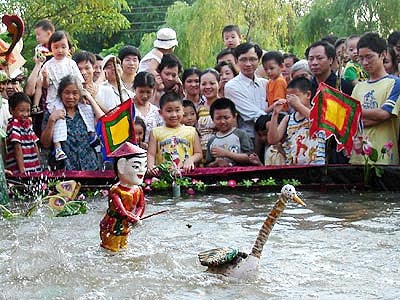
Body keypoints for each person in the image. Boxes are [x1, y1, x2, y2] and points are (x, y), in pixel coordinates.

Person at [350, 32, 400, 165]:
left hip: (384, 159)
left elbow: (384, 114)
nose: (365, 62)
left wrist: (355, 111)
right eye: (361, 58)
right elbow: (350, 121)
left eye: (369, 57)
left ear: (383, 54)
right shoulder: (358, 88)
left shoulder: (395, 83)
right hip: (357, 158)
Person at [41, 75, 104, 170]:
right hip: (64, 169)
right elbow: (45, 144)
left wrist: (91, 99)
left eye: (75, 93)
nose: (70, 97)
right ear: (60, 93)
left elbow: (104, 119)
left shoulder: (87, 111)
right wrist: (52, 120)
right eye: (66, 93)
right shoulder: (52, 111)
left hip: (90, 167)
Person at [41, 31, 85, 161]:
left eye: (63, 47)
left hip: (87, 164)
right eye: (56, 47)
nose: (60, 50)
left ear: (69, 48)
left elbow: (79, 82)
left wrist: (84, 97)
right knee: (59, 116)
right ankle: (58, 146)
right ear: (51, 48)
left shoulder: (71, 63)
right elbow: (45, 85)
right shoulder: (48, 65)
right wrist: (44, 77)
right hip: (55, 98)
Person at [307, 40, 353, 164]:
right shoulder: (305, 87)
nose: (314, 63)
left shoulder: (344, 86)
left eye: (319, 58)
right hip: (310, 149)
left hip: (335, 150)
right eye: (311, 59)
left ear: (331, 60)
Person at [100, 142, 147, 253]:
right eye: (136, 166)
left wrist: (138, 216)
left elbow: (141, 206)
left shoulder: (138, 189)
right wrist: (133, 219)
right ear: (121, 166)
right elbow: (121, 211)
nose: (142, 170)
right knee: (111, 249)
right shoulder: (116, 190)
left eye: (144, 166)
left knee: (123, 247)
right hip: (112, 225)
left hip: (126, 224)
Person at [268, 77, 326, 165]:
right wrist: (275, 114)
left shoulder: (319, 112)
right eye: (289, 97)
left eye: (295, 96)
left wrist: (298, 105)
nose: (291, 100)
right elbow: (272, 140)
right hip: (293, 169)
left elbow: (318, 122)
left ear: (308, 95)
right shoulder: (288, 119)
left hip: (316, 168)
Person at [147, 91, 202, 175]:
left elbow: (198, 153)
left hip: (187, 175)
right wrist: (151, 166)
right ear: (160, 113)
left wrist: (191, 160)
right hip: (164, 176)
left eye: (177, 110)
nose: (174, 115)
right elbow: (151, 154)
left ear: (183, 110)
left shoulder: (191, 131)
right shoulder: (155, 132)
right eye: (169, 111)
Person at [224, 42, 267, 145]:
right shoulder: (232, 86)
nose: (248, 64)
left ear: (259, 60)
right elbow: (253, 114)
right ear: (236, 61)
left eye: (252, 59)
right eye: (243, 59)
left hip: (269, 136)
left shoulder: (265, 84)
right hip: (248, 141)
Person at [206, 98, 253, 167]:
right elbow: (208, 164)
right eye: (218, 118)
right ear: (212, 119)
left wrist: (227, 154)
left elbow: (250, 158)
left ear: (234, 116)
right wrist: (216, 163)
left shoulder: (241, 135)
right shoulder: (212, 141)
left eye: (226, 117)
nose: (222, 121)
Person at [5, 92, 41, 173]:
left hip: (33, 169)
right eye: (22, 110)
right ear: (11, 110)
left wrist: (39, 167)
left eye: (28, 111)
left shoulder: (27, 124)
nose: (25, 114)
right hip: (20, 171)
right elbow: (17, 147)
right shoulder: (14, 124)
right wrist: (22, 172)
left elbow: (35, 144)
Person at [133, 71, 163, 142]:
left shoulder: (156, 112)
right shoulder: (126, 109)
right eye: (141, 92)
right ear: (134, 89)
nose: (145, 96)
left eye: (148, 92)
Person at [197, 68, 219, 152]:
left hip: (221, 150)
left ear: (219, 84)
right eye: (204, 84)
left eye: (212, 83)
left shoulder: (225, 105)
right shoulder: (199, 108)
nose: (208, 87)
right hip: (202, 151)